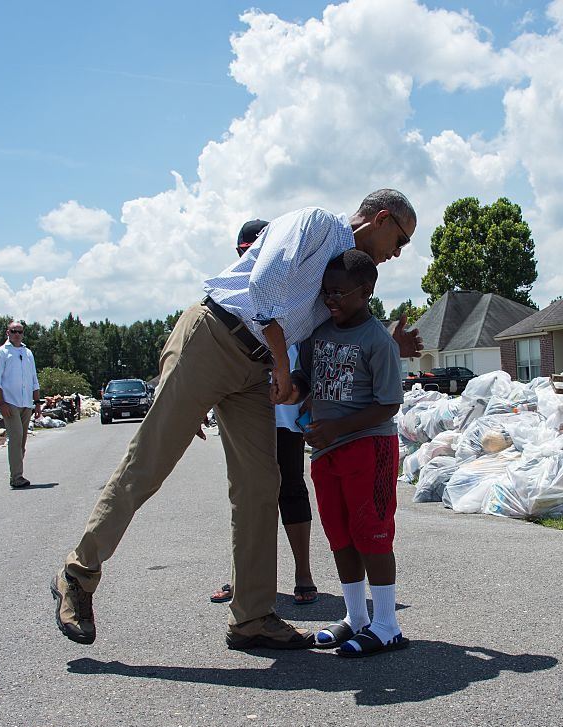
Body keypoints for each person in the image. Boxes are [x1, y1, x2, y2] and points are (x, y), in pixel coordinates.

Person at [51, 189, 420, 650]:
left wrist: (378, 344)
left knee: (261, 485)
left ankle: (252, 617)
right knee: (149, 462)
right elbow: (263, 285)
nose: (397, 254)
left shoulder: (344, 268)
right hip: (214, 336)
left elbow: (339, 325)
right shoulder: (318, 223)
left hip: (255, 367)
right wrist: (283, 365)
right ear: (381, 219)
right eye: (400, 240)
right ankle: (79, 574)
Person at [288, 249, 407, 658]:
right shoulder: (318, 332)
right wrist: (296, 390)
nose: (330, 300)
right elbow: (305, 376)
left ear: (367, 290)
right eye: (326, 293)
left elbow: (389, 403)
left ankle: (387, 624)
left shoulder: (377, 341)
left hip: (368, 447)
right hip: (325, 452)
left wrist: (337, 427)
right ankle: (356, 619)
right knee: (340, 535)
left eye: (339, 292)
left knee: (371, 532)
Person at [210, 219, 317, 606]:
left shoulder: (296, 291)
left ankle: (303, 573)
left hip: (285, 413)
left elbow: (312, 346)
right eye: (244, 252)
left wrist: (309, 397)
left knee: (291, 487)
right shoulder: (232, 293)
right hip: (242, 411)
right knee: (247, 495)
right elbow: (213, 356)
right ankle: (244, 578)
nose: (250, 258)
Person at [0, 321, 42, 488]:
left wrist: (37, 403)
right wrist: (1, 403)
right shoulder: (1, 353)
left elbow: (34, 380)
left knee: (22, 440)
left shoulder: (28, 353)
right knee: (16, 438)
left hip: (26, 403)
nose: (17, 334)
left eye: (20, 331)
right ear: (8, 333)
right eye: (13, 331)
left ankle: (18, 473)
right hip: (9, 402)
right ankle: (16, 477)